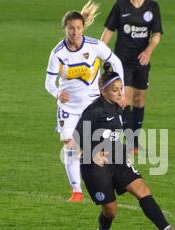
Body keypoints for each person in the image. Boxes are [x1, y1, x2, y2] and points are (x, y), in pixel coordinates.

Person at [73, 62, 175, 230]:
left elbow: (113, 133)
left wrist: (124, 149)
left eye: (121, 89)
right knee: (111, 210)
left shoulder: (118, 107)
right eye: (115, 90)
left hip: (117, 158)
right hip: (95, 167)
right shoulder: (93, 111)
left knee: (142, 189)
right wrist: (92, 153)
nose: (121, 93)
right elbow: (76, 135)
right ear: (103, 92)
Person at [45, 1, 125, 203]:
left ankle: (108, 177)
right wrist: (57, 93)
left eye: (78, 28)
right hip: (68, 108)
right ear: (65, 29)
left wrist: (120, 88)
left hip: (92, 105)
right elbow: (48, 82)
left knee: (103, 143)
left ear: (83, 28)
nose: (75, 32)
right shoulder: (57, 53)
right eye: (71, 28)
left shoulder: (94, 45)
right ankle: (76, 191)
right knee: (69, 146)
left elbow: (115, 61)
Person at [101, 0, 163, 154]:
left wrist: (149, 51)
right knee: (125, 98)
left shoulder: (152, 6)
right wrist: (99, 52)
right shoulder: (120, 6)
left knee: (139, 99)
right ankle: (130, 143)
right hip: (122, 60)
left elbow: (156, 34)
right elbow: (109, 30)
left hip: (141, 60)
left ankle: (135, 140)